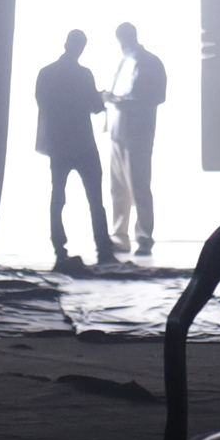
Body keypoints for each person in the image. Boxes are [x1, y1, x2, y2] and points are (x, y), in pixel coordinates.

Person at [35, 29, 113, 271]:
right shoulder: (84, 74)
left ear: (66, 44)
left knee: (58, 197)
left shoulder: (46, 73)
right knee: (96, 200)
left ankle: (59, 250)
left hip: (58, 145)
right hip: (84, 143)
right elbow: (96, 106)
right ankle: (104, 250)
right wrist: (102, 98)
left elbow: (42, 104)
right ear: (81, 48)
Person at [105, 21, 170, 262]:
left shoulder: (150, 62)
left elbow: (156, 97)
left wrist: (117, 100)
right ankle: (120, 236)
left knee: (139, 186)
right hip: (118, 133)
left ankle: (143, 238)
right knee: (118, 189)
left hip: (138, 134)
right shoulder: (125, 62)